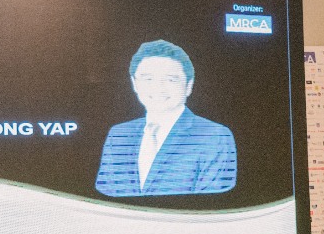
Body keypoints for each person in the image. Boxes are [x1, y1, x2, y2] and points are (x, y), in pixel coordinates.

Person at [95, 40, 236, 197]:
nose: (158, 88)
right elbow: (104, 198)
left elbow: (212, 203)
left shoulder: (214, 136)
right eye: (148, 79)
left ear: (189, 86)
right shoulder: (119, 134)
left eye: (171, 79)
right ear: (135, 84)